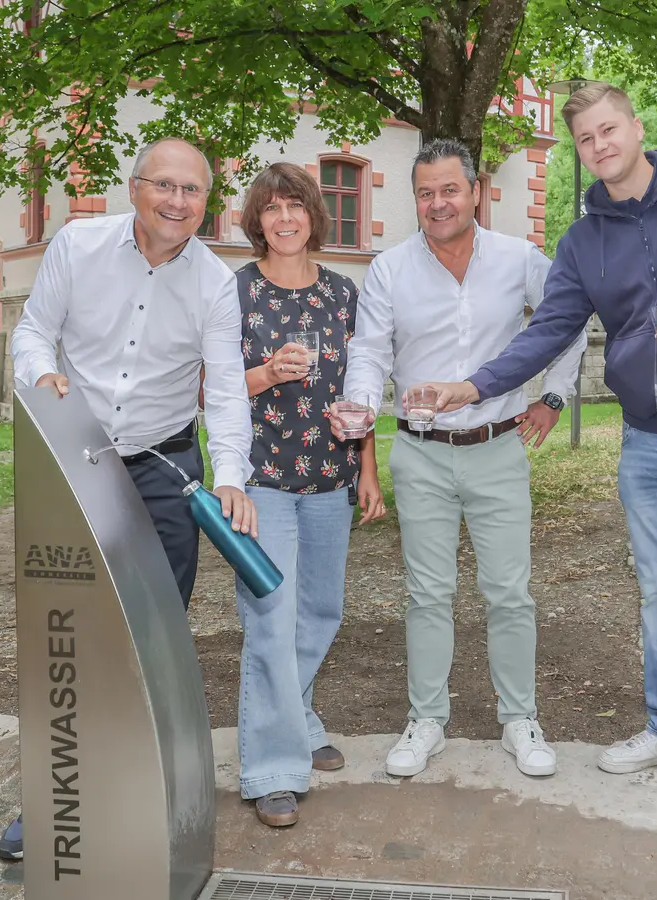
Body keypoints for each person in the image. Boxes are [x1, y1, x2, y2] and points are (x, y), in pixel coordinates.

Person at [422, 82, 657, 842]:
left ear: (636, 128)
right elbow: (548, 334)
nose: (600, 146)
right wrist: (473, 385)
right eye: (585, 140)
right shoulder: (582, 240)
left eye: (609, 130)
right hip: (644, 440)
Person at [0, 136, 257, 859]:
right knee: (71, 632)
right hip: (76, 459)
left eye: (193, 191)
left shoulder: (215, 282)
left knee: (156, 635)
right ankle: (54, 805)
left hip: (164, 466)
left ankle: (147, 795)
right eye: (164, 186)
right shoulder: (77, 245)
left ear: (209, 203)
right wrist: (40, 379)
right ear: (134, 186)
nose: (177, 203)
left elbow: (228, 387)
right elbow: (34, 332)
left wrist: (230, 476)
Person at [339, 138, 587, 780]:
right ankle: (426, 720)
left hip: (497, 447)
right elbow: (368, 351)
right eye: (425, 193)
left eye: (450, 190)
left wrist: (553, 397)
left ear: (474, 191)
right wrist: (360, 407)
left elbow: (568, 321)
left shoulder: (519, 259)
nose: (438, 203)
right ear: (414, 199)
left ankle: (519, 719)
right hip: (420, 455)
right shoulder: (391, 269)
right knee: (427, 594)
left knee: (509, 593)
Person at [229, 162, 387, 827]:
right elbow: (208, 393)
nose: (285, 218)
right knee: (271, 616)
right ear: (257, 219)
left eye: (296, 206)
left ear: (314, 216)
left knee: (320, 609)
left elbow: (364, 387)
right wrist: (265, 373)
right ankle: (271, 767)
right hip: (262, 481)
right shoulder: (233, 291)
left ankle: (295, 717)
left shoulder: (342, 293)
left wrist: (368, 468)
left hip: (331, 480)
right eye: (272, 207)